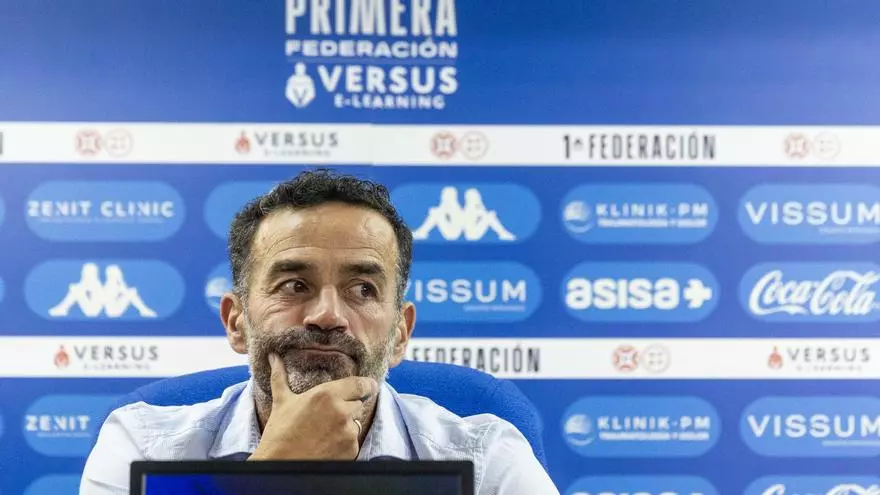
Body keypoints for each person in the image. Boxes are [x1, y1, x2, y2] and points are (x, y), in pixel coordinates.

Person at [79, 169, 559, 494]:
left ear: (400, 334)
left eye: (363, 289)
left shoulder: (487, 460)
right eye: (294, 285)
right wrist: (276, 469)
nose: (328, 315)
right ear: (236, 321)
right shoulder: (142, 447)